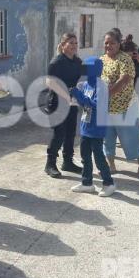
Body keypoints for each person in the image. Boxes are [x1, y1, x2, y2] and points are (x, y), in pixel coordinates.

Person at [100, 29, 139, 174]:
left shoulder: (125, 59)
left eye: (112, 43)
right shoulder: (101, 59)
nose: (109, 46)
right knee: (107, 137)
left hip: (125, 105)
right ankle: (111, 165)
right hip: (106, 106)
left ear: (119, 44)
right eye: (106, 43)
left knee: (129, 136)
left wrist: (107, 93)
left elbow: (125, 79)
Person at [69, 56, 115, 197]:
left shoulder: (101, 85)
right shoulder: (86, 84)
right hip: (86, 126)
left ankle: (109, 183)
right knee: (85, 156)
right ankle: (87, 183)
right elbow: (85, 104)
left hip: (96, 127)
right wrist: (77, 96)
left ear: (94, 70)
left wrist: (79, 96)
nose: (84, 70)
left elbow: (97, 105)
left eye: (87, 67)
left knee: (99, 157)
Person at [44, 33, 84, 178]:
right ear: (63, 45)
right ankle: (50, 164)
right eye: (71, 43)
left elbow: (81, 80)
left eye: (75, 43)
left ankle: (68, 162)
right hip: (57, 102)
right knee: (59, 134)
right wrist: (65, 95)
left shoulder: (78, 62)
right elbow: (49, 82)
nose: (74, 46)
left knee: (70, 133)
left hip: (72, 102)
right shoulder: (57, 62)